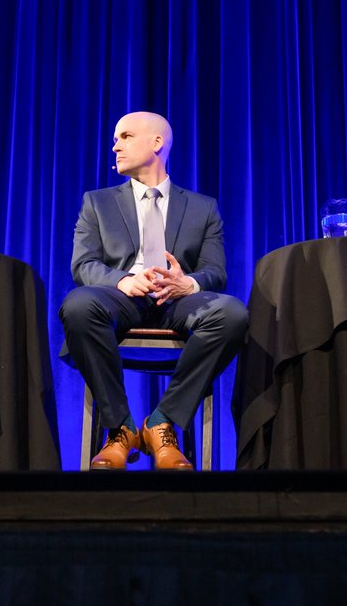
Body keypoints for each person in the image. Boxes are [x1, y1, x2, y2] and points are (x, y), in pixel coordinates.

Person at [60, 111, 248, 470]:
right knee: (79, 305)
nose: (115, 145)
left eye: (125, 136)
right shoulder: (97, 202)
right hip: (121, 298)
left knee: (232, 313)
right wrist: (122, 280)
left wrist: (187, 283)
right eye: (116, 138)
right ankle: (121, 428)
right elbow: (83, 265)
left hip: (178, 301)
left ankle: (163, 420)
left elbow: (215, 271)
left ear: (157, 143)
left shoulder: (203, 207)